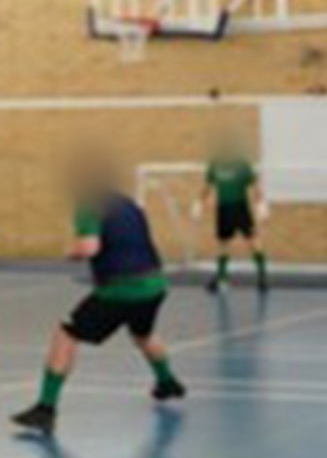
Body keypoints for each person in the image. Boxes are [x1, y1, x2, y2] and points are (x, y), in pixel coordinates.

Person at [11, 153, 187, 437]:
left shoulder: (88, 206)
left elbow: (89, 248)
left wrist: (71, 252)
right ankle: (167, 382)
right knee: (143, 334)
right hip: (154, 284)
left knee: (66, 333)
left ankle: (45, 408)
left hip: (121, 288)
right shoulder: (130, 205)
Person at [195, 138, 269, 293]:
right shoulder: (214, 165)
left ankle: (262, 277)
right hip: (223, 209)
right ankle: (222, 279)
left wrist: (261, 205)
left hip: (240, 206)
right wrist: (199, 204)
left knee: (252, 241)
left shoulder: (242, 165)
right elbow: (207, 187)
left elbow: (255, 186)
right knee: (223, 244)